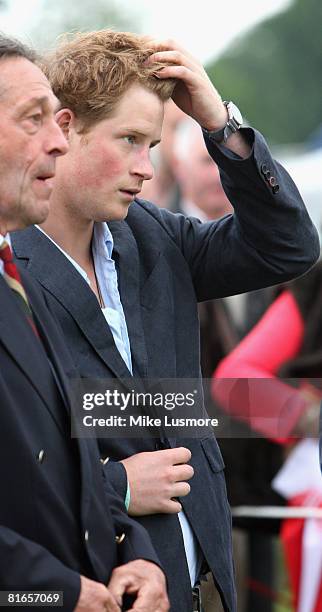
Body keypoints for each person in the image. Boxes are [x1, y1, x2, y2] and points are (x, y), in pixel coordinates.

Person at [12, 29, 319, 612]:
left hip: (205, 581)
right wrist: (117, 484)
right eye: (129, 140)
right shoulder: (12, 270)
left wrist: (220, 125)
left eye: (152, 146)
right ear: (66, 128)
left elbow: (290, 249)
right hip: (86, 588)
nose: (145, 169)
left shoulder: (153, 234)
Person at [0, 34, 169, 612]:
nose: (57, 141)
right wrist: (55, 592)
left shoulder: (16, 283)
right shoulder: (28, 266)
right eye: (34, 120)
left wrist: (135, 552)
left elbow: (288, 247)